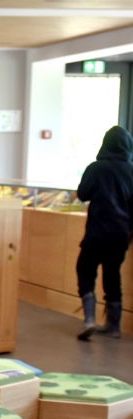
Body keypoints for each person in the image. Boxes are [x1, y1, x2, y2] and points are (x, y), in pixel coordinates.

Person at [75, 125, 133, 339]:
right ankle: (113, 326)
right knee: (112, 277)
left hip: (96, 233)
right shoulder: (131, 170)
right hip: (119, 236)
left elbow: (82, 194)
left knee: (85, 270)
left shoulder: (96, 168)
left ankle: (89, 319)